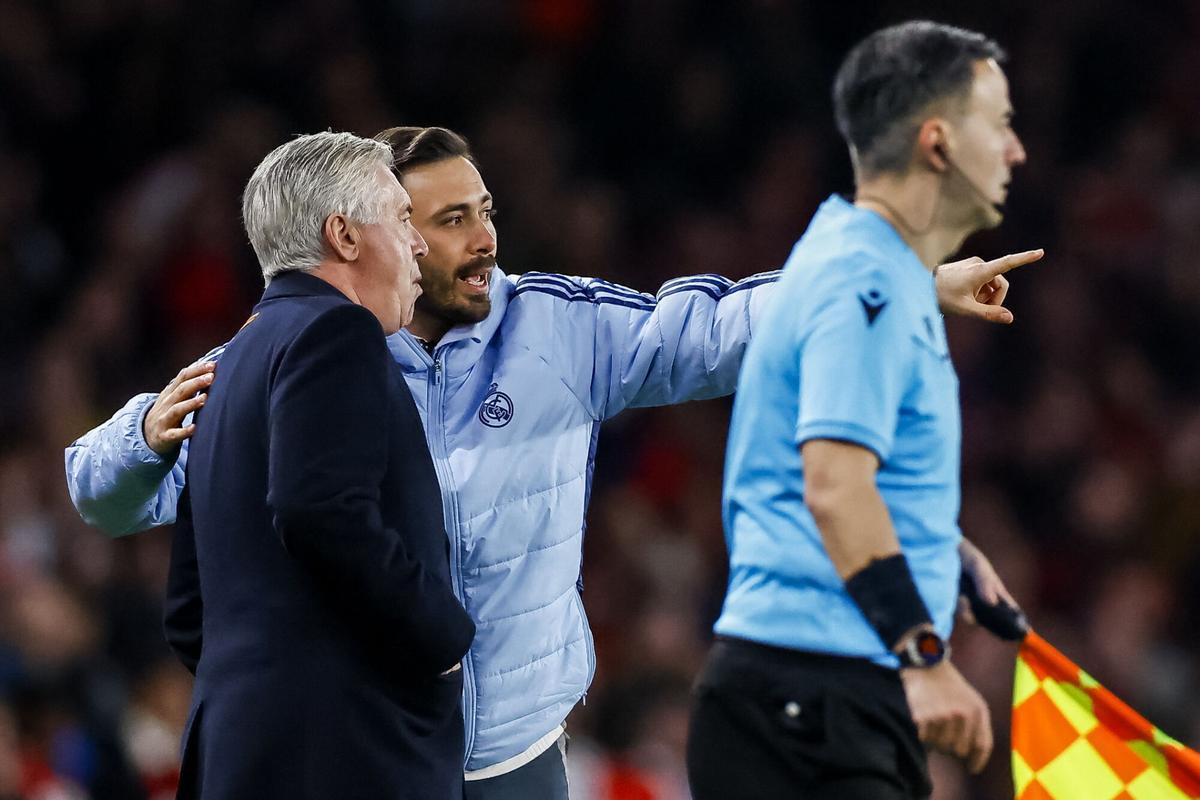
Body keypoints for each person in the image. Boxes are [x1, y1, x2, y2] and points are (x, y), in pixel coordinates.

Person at [65, 126, 1031, 798]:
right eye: (445, 220)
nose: (483, 238)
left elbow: (723, 326)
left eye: (484, 209)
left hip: (516, 757)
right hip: (375, 748)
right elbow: (100, 495)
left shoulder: (556, 328)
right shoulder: (307, 354)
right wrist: (144, 438)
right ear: (383, 230)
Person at [687, 21, 1033, 799]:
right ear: (937, 142)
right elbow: (834, 485)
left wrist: (937, 547)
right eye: (1001, 124)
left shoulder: (873, 270)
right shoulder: (864, 286)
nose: (1016, 150)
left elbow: (824, 471)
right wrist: (926, 655)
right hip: (807, 705)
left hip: (816, 701)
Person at [166, 131, 475, 800]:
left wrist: (264, 682)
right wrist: (442, 636)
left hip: (242, 748)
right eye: (400, 217)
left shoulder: (233, 362)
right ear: (345, 235)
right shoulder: (337, 333)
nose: (420, 243)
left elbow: (191, 609)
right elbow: (319, 510)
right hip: (343, 752)